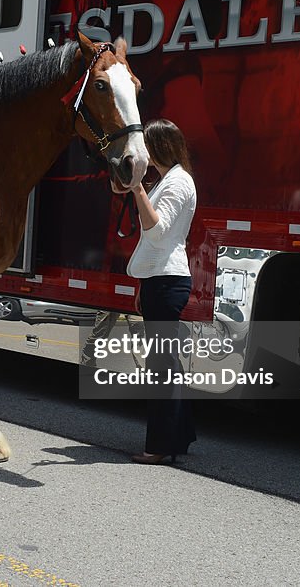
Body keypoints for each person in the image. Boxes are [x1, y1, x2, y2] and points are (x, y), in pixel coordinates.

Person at [126, 119, 197, 464]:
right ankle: (179, 438)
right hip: (161, 280)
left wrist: (137, 188)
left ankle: (158, 447)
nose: (145, 154)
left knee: (161, 368)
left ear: (160, 147)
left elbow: (156, 231)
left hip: (167, 282)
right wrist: (144, 283)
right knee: (168, 365)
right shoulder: (173, 179)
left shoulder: (177, 183)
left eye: (148, 147)